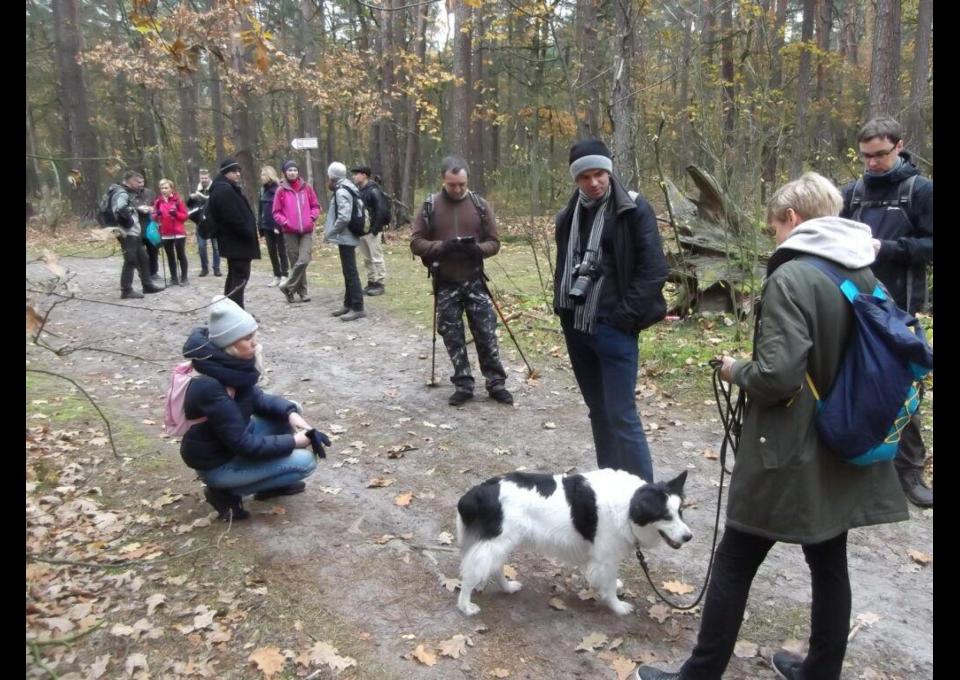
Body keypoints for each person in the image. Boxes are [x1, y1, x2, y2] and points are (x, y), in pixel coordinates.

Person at [632, 173, 909, 680]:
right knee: (829, 561)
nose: (773, 235)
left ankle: (699, 674)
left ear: (793, 219)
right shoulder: (864, 271)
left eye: (774, 225)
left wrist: (736, 369)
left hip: (789, 449)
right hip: (844, 439)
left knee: (736, 557)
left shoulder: (792, 277)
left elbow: (779, 377)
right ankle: (820, 671)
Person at [554, 139, 668, 482]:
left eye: (600, 173)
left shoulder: (633, 209)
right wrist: (564, 312)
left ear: (609, 171)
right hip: (577, 327)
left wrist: (624, 319)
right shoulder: (568, 215)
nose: (594, 182)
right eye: (585, 176)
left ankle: (647, 499)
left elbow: (654, 271)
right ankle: (610, 490)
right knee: (599, 413)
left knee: (621, 415)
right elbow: (563, 266)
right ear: (576, 180)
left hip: (614, 328)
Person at [839, 115, 934, 508]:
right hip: (854, 302)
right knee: (849, 382)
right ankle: (854, 459)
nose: (872, 163)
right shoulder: (853, 192)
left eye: (879, 154)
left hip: (900, 308)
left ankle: (910, 471)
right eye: (866, 156)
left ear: (899, 145)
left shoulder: (920, 190)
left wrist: (887, 249)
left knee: (903, 387)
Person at [179, 295, 325, 521]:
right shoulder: (209, 385)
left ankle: (269, 485)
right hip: (218, 464)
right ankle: (224, 492)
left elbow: (256, 398)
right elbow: (243, 444)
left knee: (287, 411)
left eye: (253, 336)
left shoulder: (228, 366)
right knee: (305, 463)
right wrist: (295, 441)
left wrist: (292, 415)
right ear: (229, 343)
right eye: (247, 338)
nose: (254, 343)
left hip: (228, 442)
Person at [410, 155, 513, 406]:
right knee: (452, 335)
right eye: (452, 184)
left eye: (462, 184)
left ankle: (496, 383)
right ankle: (463, 383)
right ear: (443, 181)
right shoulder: (429, 206)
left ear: (468, 181)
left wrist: (477, 250)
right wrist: (441, 247)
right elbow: (415, 243)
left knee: (486, 333)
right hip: (444, 281)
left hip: (475, 280)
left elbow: (495, 242)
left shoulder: (480, 205)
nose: (457, 189)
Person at [205, 158, 261, 309]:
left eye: (238, 171)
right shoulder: (224, 190)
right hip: (236, 242)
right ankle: (236, 311)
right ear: (226, 173)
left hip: (235, 242)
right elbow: (232, 217)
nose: (237, 174)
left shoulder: (225, 187)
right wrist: (247, 232)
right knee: (239, 278)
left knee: (235, 276)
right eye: (234, 171)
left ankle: (230, 309)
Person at [107, 170, 164, 299]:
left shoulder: (120, 191)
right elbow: (120, 209)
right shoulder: (122, 193)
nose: (139, 184)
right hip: (127, 232)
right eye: (136, 181)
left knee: (143, 258)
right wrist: (135, 210)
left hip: (131, 231)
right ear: (128, 181)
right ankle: (126, 290)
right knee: (131, 260)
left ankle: (147, 285)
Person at [323, 162, 366, 321]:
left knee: (350, 272)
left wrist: (330, 232)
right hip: (347, 235)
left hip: (346, 235)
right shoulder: (350, 187)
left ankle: (358, 306)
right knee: (348, 271)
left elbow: (344, 217)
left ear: (332, 176)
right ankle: (348, 304)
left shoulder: (341, 191)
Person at [273, 160, 321, 303]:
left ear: (298, 172)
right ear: (285, 173)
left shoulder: (307, 187)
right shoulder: (281, 190)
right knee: (295, 262)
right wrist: (285, 222)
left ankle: (288, 287)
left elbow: (315, 206)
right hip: (289, 231)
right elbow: (276, 212)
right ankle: (302, 292)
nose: (293, 172)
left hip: (306, 230)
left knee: (304, 259)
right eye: (289, 170)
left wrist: (312, 217)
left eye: (295, 170)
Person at [351, 165, 389, 296]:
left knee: (376, 257)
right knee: (367, 259)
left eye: (356, 174)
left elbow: (381, 210)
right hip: (362, 231)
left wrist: (375, 230)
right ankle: (371, 281)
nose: (354, 177)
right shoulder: (359, 191)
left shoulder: (373, 191)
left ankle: (380, 283)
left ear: (364, 175)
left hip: (372, 231)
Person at [152, 178, 189, 286]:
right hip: (165, 233)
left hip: (178, 232)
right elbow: (153, 216)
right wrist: (157, 214)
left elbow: (185, 216)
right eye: (162, 188)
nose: (164, 190)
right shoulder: (158, 202)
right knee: (170, 256)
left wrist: (176, 214)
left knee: (180, 255)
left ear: (172, 189)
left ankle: (184, 277)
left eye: (166, 188)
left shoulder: (178, 201)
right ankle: (173, 278)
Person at [258, 166, 289, 288]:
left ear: (269, 176)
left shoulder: (279, 189)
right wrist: (260, 224)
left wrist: (279, 224)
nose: (261, 177)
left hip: (278, 226)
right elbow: (261, 209)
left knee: (282, 251)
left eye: (263, 175)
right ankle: (276, 275)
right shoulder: (262, 190)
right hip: (266, 226)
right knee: (271, 251)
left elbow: (282, 208)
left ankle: (284, 274)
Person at [187, 169, 222, 277]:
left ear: (209, 177)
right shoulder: (196, 189)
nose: (204, 180)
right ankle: (204, 268)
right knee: (202, 246)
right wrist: (191, 198)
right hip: (201, 222)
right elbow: (189, 206)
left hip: (214, 222)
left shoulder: (215, 187)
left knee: (216, 247)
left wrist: (206, 199)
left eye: (205, 178)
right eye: (202, 178)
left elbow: (218, 202)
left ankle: (217, 268)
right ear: (199, 178)